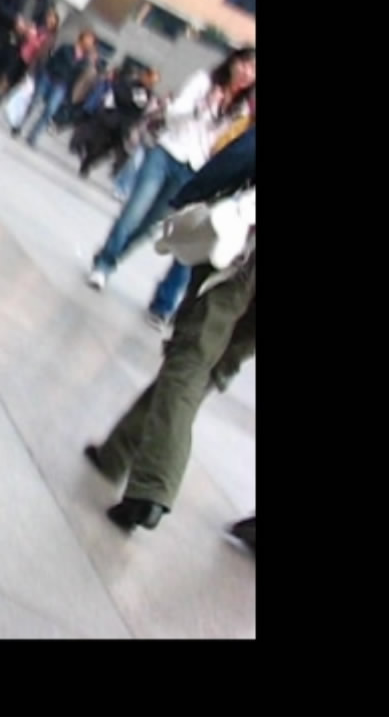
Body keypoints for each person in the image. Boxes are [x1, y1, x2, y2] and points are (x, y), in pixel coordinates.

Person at [84, 198, 255, 532]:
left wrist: (195, 193)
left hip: (243, 255)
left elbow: (242, 154)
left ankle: (150, 491)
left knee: (190, 361)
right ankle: (116, 452)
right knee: (209, 367)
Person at [86, 47, 255, 290]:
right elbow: (172, 115)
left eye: (253, 71)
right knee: (133, 213)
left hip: (192, 169)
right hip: (167, 153)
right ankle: (103, 265)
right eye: (245, 65)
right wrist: (201, 108)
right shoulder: (204, 81)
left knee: (150, 227)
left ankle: (112, 258)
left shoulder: (241, 110)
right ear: (233, 62)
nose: (247, 73)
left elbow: (226, 145)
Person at [147, 107, 255, 331]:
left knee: (206, 309)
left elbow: (236, 158)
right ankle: (167, 307)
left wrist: (191, 195)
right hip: (229, 211)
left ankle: (174, 319)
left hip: (236, 226)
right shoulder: (237, 108)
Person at [17, 27, 99, 145]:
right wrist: (45, 73)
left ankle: (33, 136)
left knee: (49, 111)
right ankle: (20, 124)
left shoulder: (85, 61)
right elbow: (51, 60)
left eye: (92, 42)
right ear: (82, 38)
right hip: (49, 78)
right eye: (89, 39)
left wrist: (68, 94)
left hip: (61, 86)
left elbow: (78, 78)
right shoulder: (66, 48)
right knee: (34, 103)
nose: (90, 43)